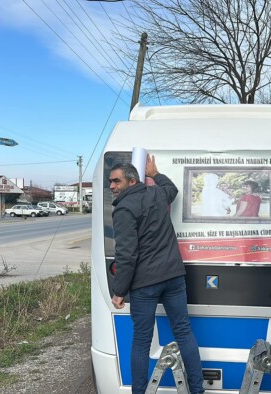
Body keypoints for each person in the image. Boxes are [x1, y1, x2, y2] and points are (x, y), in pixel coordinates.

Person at [109, 154, 204, 394]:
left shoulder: (123, 209)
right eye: (111, 181)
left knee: (141, 341)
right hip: (173, 277)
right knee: (183, 332)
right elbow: (171, 188)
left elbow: (126, 255)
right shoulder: (156, 194)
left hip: (145, 283)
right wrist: (155, 174)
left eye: (116, 181)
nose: (112, 186)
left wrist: (119, 291)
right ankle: (198, 390)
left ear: (132, 181)